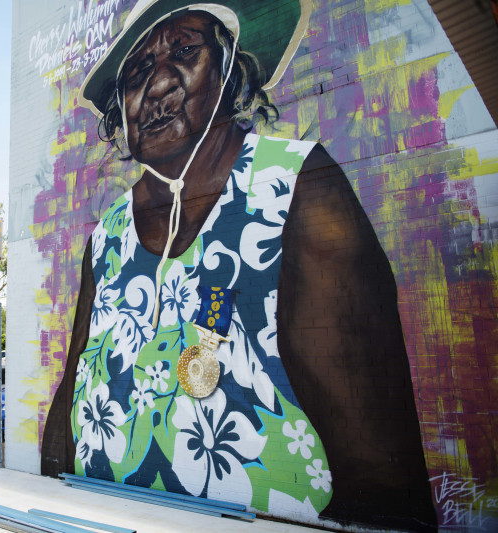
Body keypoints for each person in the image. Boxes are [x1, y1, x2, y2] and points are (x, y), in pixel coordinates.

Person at [41, 1, 436, 531]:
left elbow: (380, 478)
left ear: (230, 70)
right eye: (137, 73)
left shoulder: (295, 189)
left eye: (185, 51)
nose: (158, 85)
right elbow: (70, 397)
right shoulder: (107, 235)